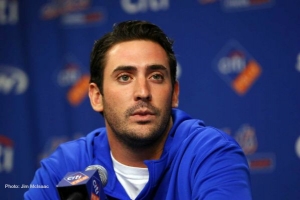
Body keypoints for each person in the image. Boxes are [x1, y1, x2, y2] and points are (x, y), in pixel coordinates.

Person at [24, 20, 252, 200]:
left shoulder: (210, 153)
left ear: (174, 94)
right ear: (96, 96)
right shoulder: (66, 167)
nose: (143, 91)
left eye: (156, 76)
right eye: (124, 77)